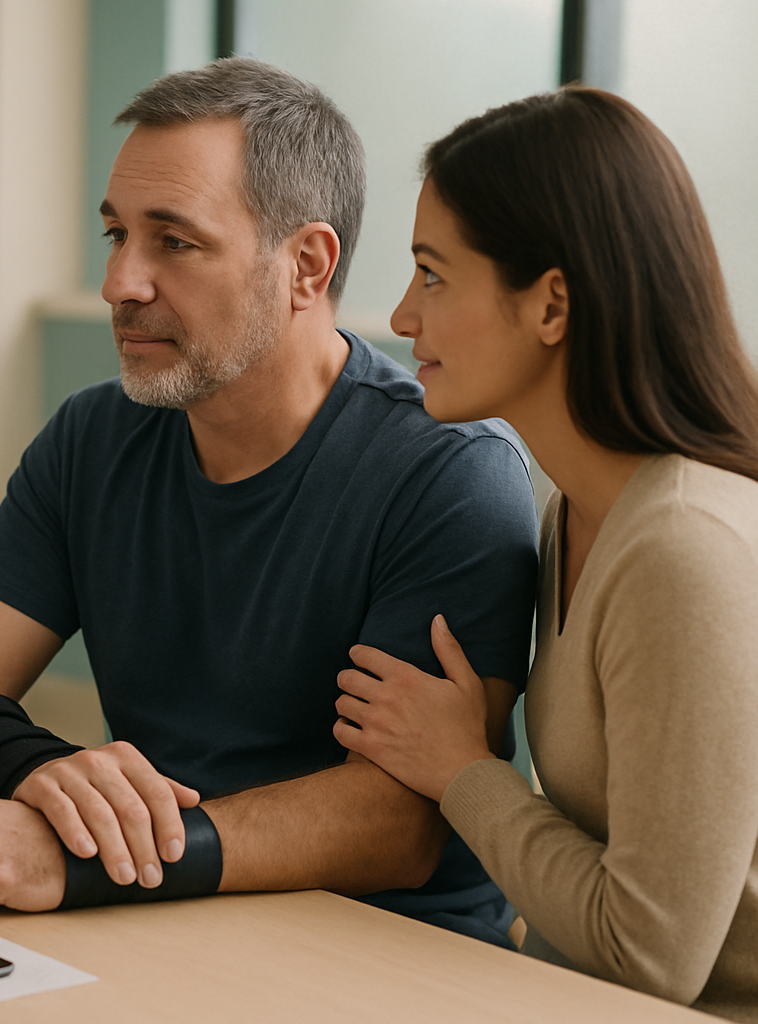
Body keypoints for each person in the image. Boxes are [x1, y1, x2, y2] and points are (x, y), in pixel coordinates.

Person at [0, 57, 539, 947]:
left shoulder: (449, 472)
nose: (122, 282)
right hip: (159, 915)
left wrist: (83, 859)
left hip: (381, 949)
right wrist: (41, 773)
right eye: (116, 235)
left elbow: (397, 822)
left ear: (306, 264)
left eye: (174, 241)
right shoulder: (91, 438)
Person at [333, 88, 758, 1019]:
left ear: (552, 304)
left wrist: (463, 772)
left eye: (432, 275)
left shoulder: (684, 549)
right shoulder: (574, 509)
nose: (403, 317)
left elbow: (648, 960)